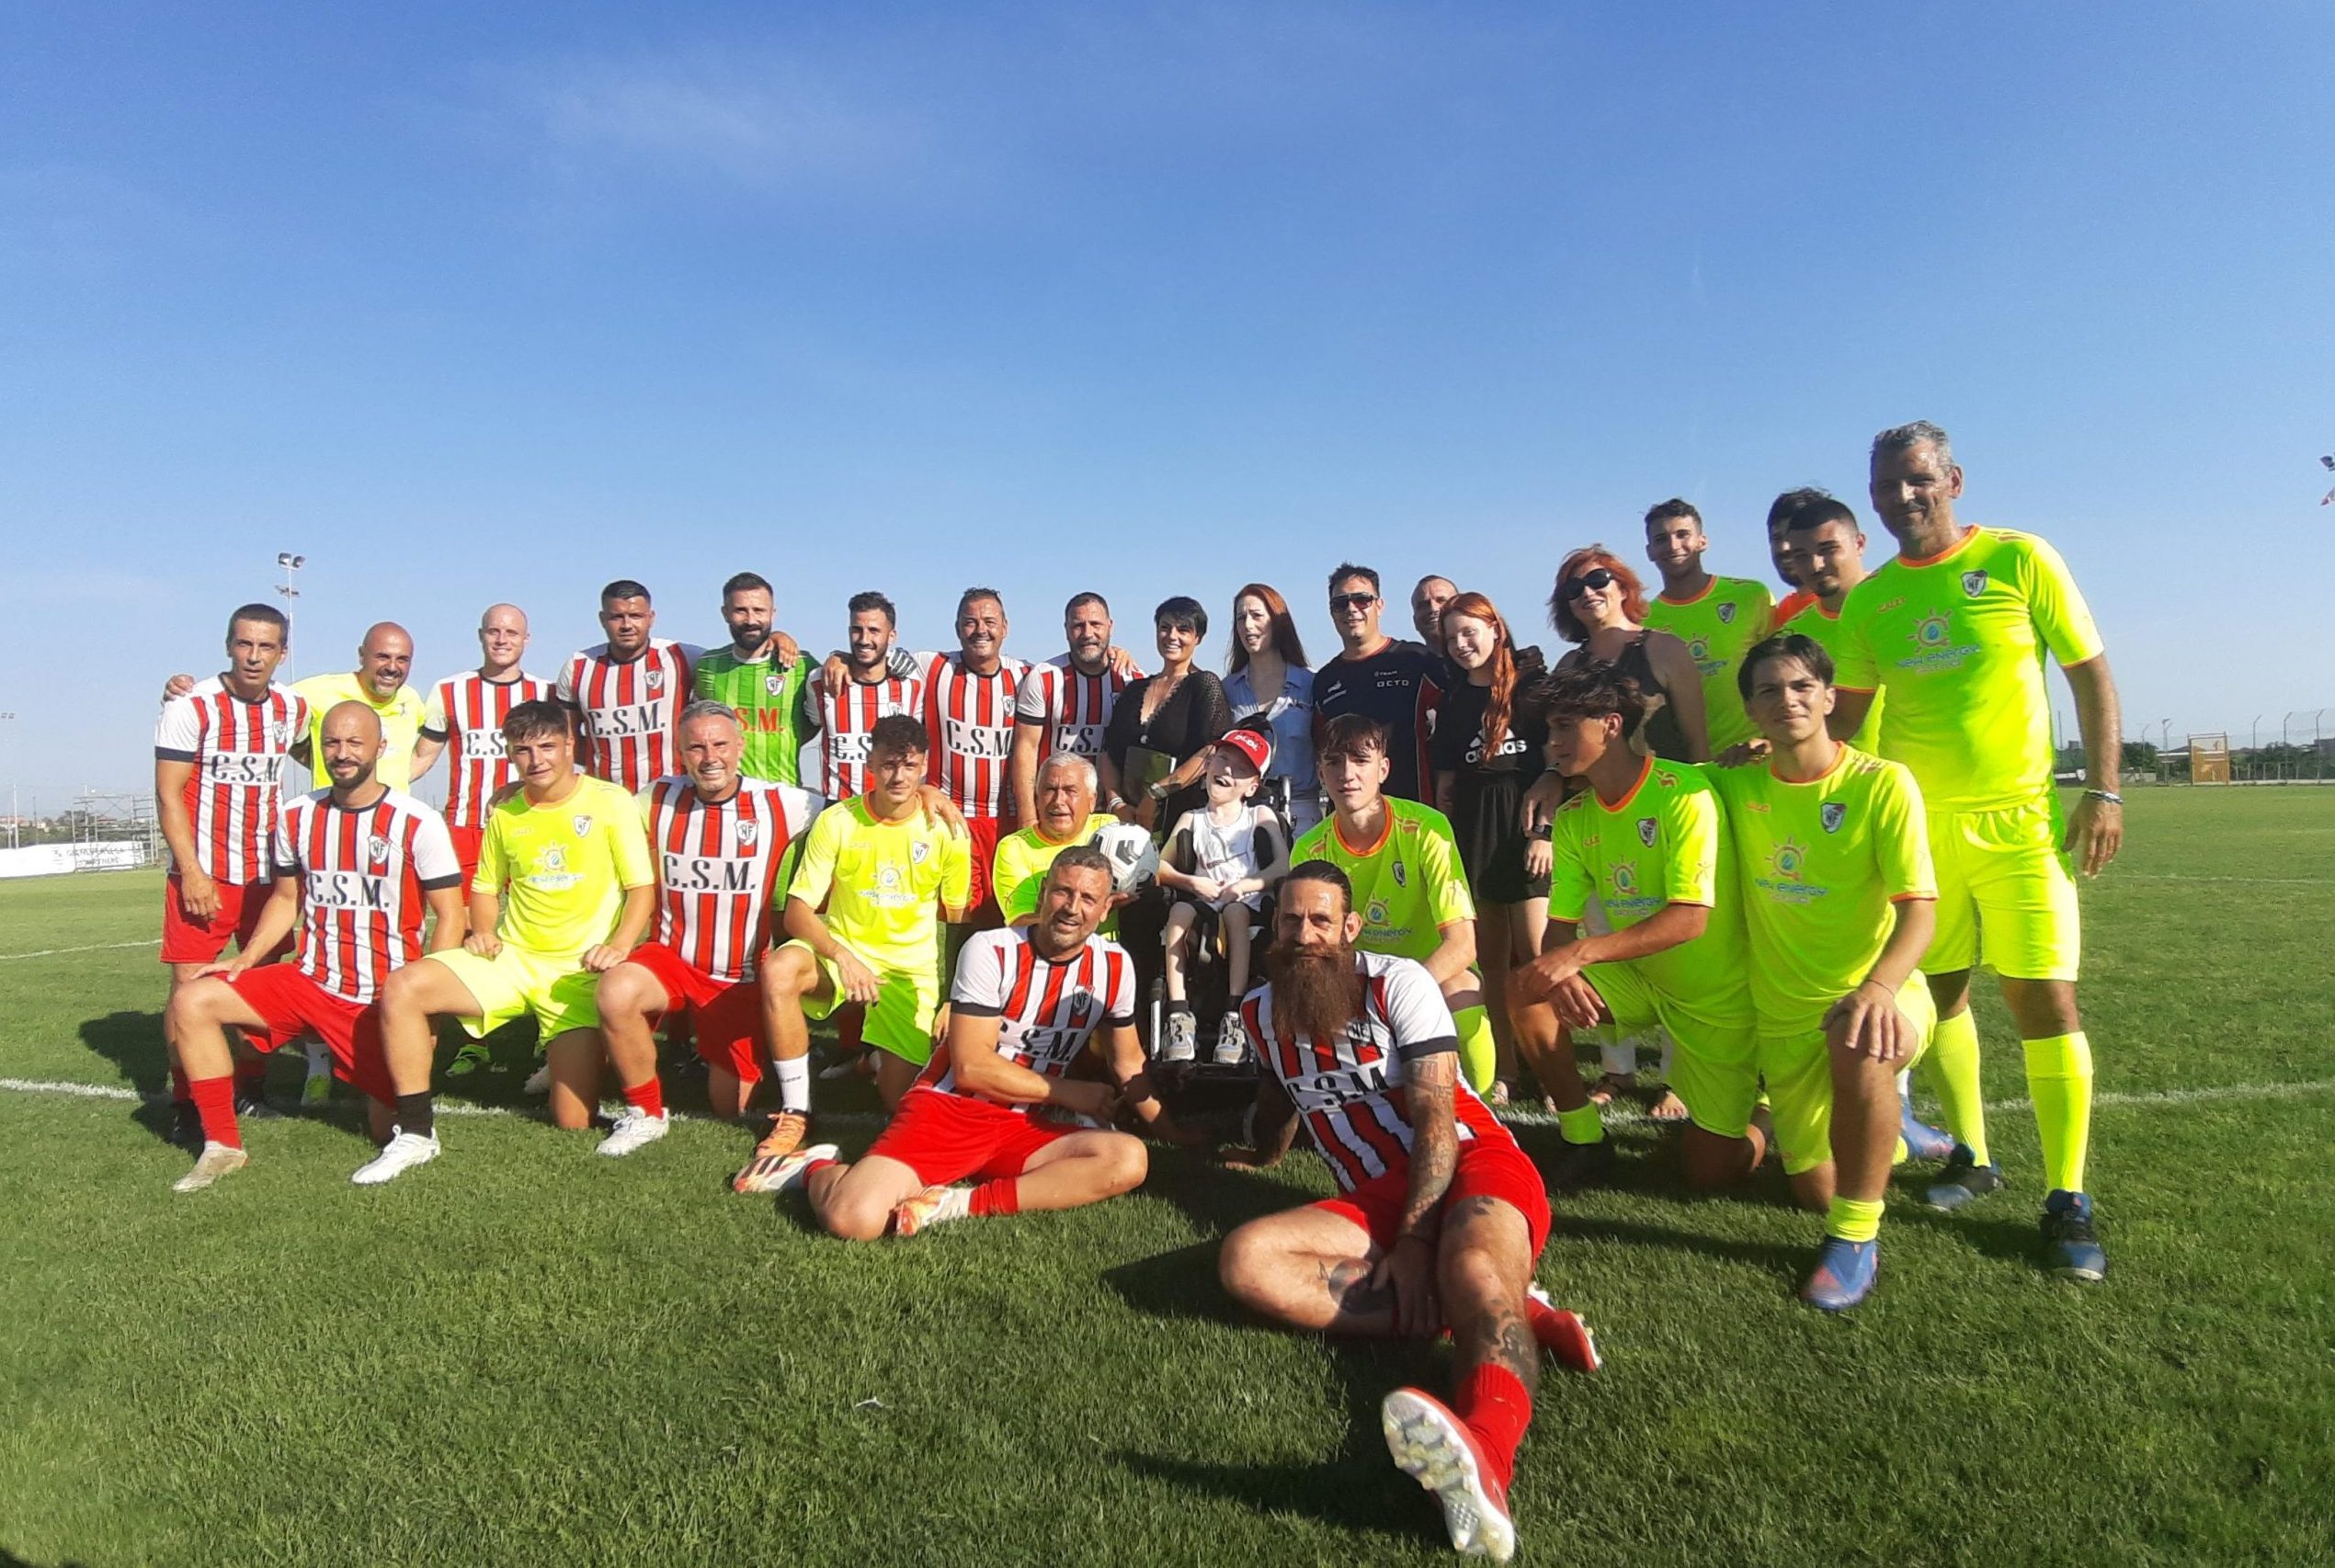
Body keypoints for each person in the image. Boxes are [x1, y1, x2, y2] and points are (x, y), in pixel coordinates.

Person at [1215, 863, 1596, 1565]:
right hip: (1373, 1196)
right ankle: (1515, 1309)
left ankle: (1487, 1455)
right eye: (1292, 921)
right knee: (1247, 1260)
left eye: (1321, 921)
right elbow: (1278, 1096)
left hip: (1470, 1157)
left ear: (1350, 928)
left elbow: (1436, 1115)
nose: (1305, 936)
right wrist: (1263, 1155)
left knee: (1472, 1265)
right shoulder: (1259, 1012)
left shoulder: (1399, 983)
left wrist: (1416, 1243)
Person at [1828, 420, 2122, 1280]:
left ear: (1953, 480)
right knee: (1945, 994)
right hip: (1923, 835)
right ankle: (1973, 1155)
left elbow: (2090, 674)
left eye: (1918, 479)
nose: (1903, 497)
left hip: (2022, 825)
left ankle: (2067, 1198)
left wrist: (2104, 790)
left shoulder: (2021, 558)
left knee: (2046, 1002)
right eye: (1886, 486)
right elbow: (1844, 721)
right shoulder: (1872, 601)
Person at [750, 848, 1177, 1238]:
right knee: (852, 1218)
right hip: (951, 1110)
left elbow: (1128, 1063)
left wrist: (1175, 1136)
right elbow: (972, 1067)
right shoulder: (992, 949)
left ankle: (956, 1203)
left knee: (1129, 1159)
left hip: (1028, 1124)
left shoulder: (1115, 965)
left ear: (1105, 909)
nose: (1072, 907)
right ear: (1044, 893)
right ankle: (814, 1167)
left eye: (1087, 899)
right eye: (1063, 892)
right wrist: (1069, 1092)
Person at [1709, 635, 1939, 1309]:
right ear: (1751, 710)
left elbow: (1920, 912)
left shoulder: (1882, 783)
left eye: (1802, 686)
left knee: (1859, 1039)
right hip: (1784, 1016)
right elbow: (1646, 783)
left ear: (1831, 697)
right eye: (1769, 691)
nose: (1788, 700)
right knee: (1814, 1189)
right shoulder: (1733, 784)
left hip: (1879, 993)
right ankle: (1893, 1131)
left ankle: (1855, 1239)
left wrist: (1879, 988)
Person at [162, 701, 466, 1190]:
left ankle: (400, 1109)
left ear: (380, 748)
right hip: (311, 980)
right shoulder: (296, 816)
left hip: (379, 998)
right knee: (192, 999)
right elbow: (286, 900)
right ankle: (222, 1145)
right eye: (332, 743)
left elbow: (450, 914)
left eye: (355, 742)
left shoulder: (417, 821)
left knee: (384, 1126)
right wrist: (247, 959)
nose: (343, 753)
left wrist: (427, 1004)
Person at [370, 699, 656, 1185]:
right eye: (523, 750)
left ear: (570, 745)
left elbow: (640, 889)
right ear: (509, 754)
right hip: (513, 960)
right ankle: (416, 1131)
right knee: (404, 987)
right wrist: (483, 931)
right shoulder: (505, 810)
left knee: (572, 1121)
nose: (536, 759)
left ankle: (584, 1052)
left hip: (578, 975)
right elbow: (485, 887)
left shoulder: (611, 802)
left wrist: (620, 945)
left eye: (547, 746)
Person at [1509, 662, 1762, 1193]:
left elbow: (1689, 918)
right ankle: (1584, 1139)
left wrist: (1580, 956)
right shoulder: (1575, 816)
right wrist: (1562, 967)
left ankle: (1770, 1109)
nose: (1552, 743)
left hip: (1715, 1001)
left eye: (1564, 727)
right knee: (1527, 988)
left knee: (1708, 1173)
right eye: (1550, 729)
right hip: (1640, 983)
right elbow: (1560, 929)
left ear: (1611, 725)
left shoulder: (1682, 792)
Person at [735, 715, 972, 1187]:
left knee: (902, 1108)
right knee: (781, 969)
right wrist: (844, 957)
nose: (898, 776)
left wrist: (953, 998)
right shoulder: (838, 820)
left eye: (909, 766)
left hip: (907, 973)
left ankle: (876, 1059)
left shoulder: (947, 830)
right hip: (841, 957)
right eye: (888, 765)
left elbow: (959, 921)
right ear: (870, 764)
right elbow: (797, 914)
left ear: (925, 766)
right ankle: (795, 1112)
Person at [592, 702, 818, 1148]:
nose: (710, 757)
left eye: (720, 744)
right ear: (680, 753)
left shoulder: (781, 802)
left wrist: (926, 793)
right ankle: (645, 1113)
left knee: (730, 1107)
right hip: (671, 961)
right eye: (696, 747)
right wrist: (526, 788)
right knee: (616, 991)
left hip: (739, 977)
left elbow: (854, 808)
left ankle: (750, 1054)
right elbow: (589, 805)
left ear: (740, 746)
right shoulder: (657, 796)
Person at [1539, 545, 1705, 1116]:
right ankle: (1617, 1070)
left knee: (1676, 946)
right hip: (1597, 819)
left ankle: (1678, 1076)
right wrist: (1548, 779)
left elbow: (1697, 742)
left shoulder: (1663, 648)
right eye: (1573, 588)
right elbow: (1560, 743)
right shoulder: (1570, 664)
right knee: (1598, 940)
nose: (1587, 593)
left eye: (1598, 579)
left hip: (1665, 815)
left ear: (1623, 583)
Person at [154, 603, 310, 1142]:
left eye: (266, 646)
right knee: (187, 991)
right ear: (228, 646)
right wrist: (192, 872)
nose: (254, 656)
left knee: (259, 987)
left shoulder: (293, 708)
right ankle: (187, 1103)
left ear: (282, 654)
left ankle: (250, 1088)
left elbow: (329, 755)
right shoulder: (191, 706)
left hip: (267, 877)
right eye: (245, 644)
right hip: (203, 877)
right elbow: (168, 794)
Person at [1293, 715, 1498, 1096]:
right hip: (1358, 979)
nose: (1347, 774)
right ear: (1320, 773)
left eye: (1361, 760)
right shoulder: (1309, 849)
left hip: (1429, 972)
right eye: (1334, 762)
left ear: (1384, 769)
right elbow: (1311, 947)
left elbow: (1462, 945)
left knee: (1464, 991)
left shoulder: (1427, 828)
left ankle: (1481, 1108)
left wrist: (1400, 995)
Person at [1431, 593, 1548, 1105]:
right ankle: (1508, 1068)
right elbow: (1447, 783)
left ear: (1495, 629)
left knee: (1537, 958)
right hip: (1476, 830)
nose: (1462, 644)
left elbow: (1558, 763)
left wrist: (1544, 832)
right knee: (1492, 964)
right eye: (1452, 637)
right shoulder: (1454, 700)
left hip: (1525, 828)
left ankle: (1553, 1068)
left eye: (1470, 632)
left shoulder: (1531, 687)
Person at [1156, 730, 1290, 1064]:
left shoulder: (1259, 816)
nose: (1228, 770)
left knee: (1235, 914)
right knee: (1178, 913)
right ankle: (1178, 1014)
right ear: (1209, 764)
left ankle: (1234, 1013)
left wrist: (1246, 886)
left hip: (1248, 903)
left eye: (1241, 769)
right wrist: (1191, 882)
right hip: (1204, 899)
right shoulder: (1192, 819)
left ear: (1252, 787)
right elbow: (1159, 867)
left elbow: (1283, 865)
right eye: (1224, 759)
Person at [411, 605, 557, 902]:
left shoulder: (547, 693)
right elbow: (422, 757)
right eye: (494, 631)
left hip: (532, 820)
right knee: (464, 918)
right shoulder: (448, 690)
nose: (502, 640)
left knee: (537, 913)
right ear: (481, 635)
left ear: (526, 639)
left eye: (511, 633)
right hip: (466, 827)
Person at [912, 589, 1031, 934]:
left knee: (1010, 915)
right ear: (957, 628)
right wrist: (838, 657)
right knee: (958, 917)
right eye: (970, 622)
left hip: (1007, 819)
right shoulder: (931, 666)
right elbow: (874, 655)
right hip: (951, 817)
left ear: (1005, 627)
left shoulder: (1026, 676)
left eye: (989, 621)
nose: (981, 630)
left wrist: (1118, 654)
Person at [1640, 499, 1774, 756]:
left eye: (1682, 534)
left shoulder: (1751, 596)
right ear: (1650, 551)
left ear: (1702, 541)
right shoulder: (1644, 621)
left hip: (1754, 755)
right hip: (1687, 764)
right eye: (1661, 539)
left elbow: (1782, 668)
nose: (1673, 545)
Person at [1314, 564, 1444, 804]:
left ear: (1380, 606)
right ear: (1331, 612)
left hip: (1412, 811)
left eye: (1362, 599)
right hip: (1349, 817)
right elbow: (1322, 751)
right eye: (1340, 603)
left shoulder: (1417, 660)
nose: (1351, 609)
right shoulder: (1324, 681)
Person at [1102, 596, 1234, 834]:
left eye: (1183, 629)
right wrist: (1116, 803)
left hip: (1181, 822)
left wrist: (1156, 793)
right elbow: (1108, 751)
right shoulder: (1134, 689)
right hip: (1127, 823)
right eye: (1165, 627)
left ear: (1198, 637)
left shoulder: (1204, 685)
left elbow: (1211, 751)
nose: (1172, 636)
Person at [557, 579, 701, 793]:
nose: (627, 625)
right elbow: (568, 739)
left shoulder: (683, 657)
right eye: (617, 617)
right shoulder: (578, 666)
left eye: (636, 616)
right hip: (606, 798)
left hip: (675, 795)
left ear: (651, 618)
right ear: (602, 619)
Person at [1009, 592, 1143, 823]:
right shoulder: (1044, 677)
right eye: (1078, 626)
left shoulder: (1132, 679)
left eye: (1095, 624)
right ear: (1066, 629)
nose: (1087, 633)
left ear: (1110, 626)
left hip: (1112, 814)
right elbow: (1025, 750)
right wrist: (1028, 818)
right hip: (1057, 812)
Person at [802, 590, 924, 803]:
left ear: (892, 635)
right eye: (857, 630)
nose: (864, 639)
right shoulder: (820, 681)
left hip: (893, 810)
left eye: (874, 631)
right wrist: (836, 656)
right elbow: (810, 723)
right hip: (839, 809)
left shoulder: (912, 683)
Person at [689, 572, 809, 787]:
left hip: (785, 794)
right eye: (740, 611)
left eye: (759, 610)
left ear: (772, 613)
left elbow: (816, 724)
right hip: (726, 796)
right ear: (725, 613)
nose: (751, 620)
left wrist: (837, 658)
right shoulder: (707, 666)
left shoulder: (802, 665)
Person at [1222, 582, 1321, 836]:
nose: (1248, 625)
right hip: (1241, 817)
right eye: (1241, 618)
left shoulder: (1311, 684)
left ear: (1277, 622)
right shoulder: (1227, 689)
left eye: (1257, 615)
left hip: (1302, 818)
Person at [992, 754, 1119, 928]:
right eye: (1050, 790)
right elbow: (1020, 923)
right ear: (1037, 799)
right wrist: (1098, 909)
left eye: (1070, 791)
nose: (1058, 801)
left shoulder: (1110, 830)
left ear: (1092, 801)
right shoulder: (1015, 848)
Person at [1766, 486, 1831, 627]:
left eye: (1792, 537)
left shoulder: (1847, 602)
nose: (1783, 547)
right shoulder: (1781, 613)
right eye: (1776, 538)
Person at [1409, 574, 1459, 654]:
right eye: (1424, 605)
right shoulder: (1405, 661)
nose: (1433, 608)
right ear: (1415, 621)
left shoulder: (1481, 660)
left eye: (1441, 600)